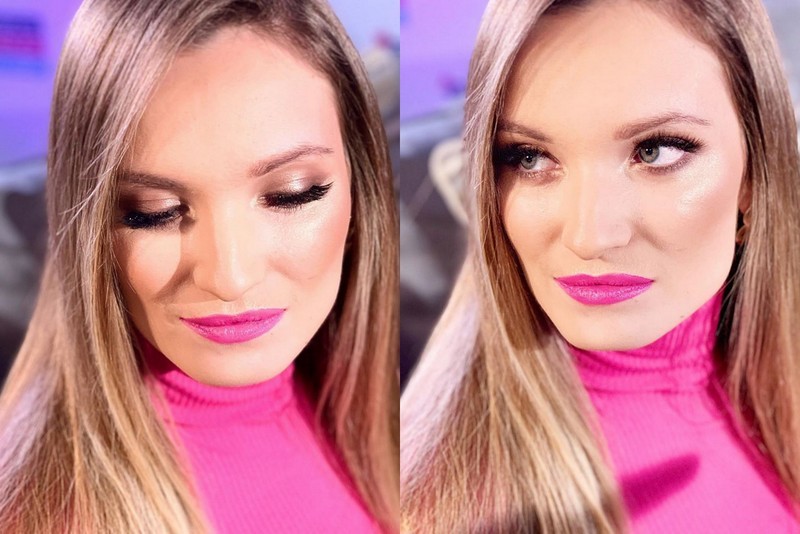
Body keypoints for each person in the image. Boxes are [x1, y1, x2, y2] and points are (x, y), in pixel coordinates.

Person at [401, 0, 800, 532]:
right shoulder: (461, 506)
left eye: (655, 151)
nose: (589, 237)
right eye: (529, 157)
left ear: (753, 174)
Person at [0, 0, 399, 532]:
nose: (230, 277)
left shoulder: (383, 414)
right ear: (90, 232)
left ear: (359, 187)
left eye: (291, 194)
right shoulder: (46, 512)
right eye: (154, 212)